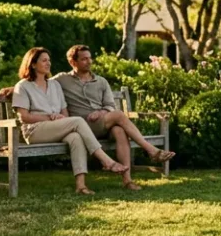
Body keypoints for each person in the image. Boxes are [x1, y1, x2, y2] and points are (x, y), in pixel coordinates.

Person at [10, 47, 129, 195]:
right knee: (78, 121)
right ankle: (106, 161)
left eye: (49, 60)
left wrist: (60, 118)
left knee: (75, 137)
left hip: (55, 128)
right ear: (33, 64)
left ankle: (81, 186)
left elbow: (64, 113)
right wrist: (49, 117)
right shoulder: (23, 86)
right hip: (35, 130)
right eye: (44, 60)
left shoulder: (54, 85)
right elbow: (24, 117)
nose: (48, 63)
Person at [54, 45, 175, 190]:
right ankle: (151, 150)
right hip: (82, 126)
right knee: (118, 115)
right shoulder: (62, 79)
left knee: (119, 130)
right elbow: (41, 83)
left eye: (90, 58)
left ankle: (127, 180)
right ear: (73, 62)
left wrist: (101, 112)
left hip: (102, 123)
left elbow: (110, 105)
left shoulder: (101, 81)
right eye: (84, 59)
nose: (89, 61)